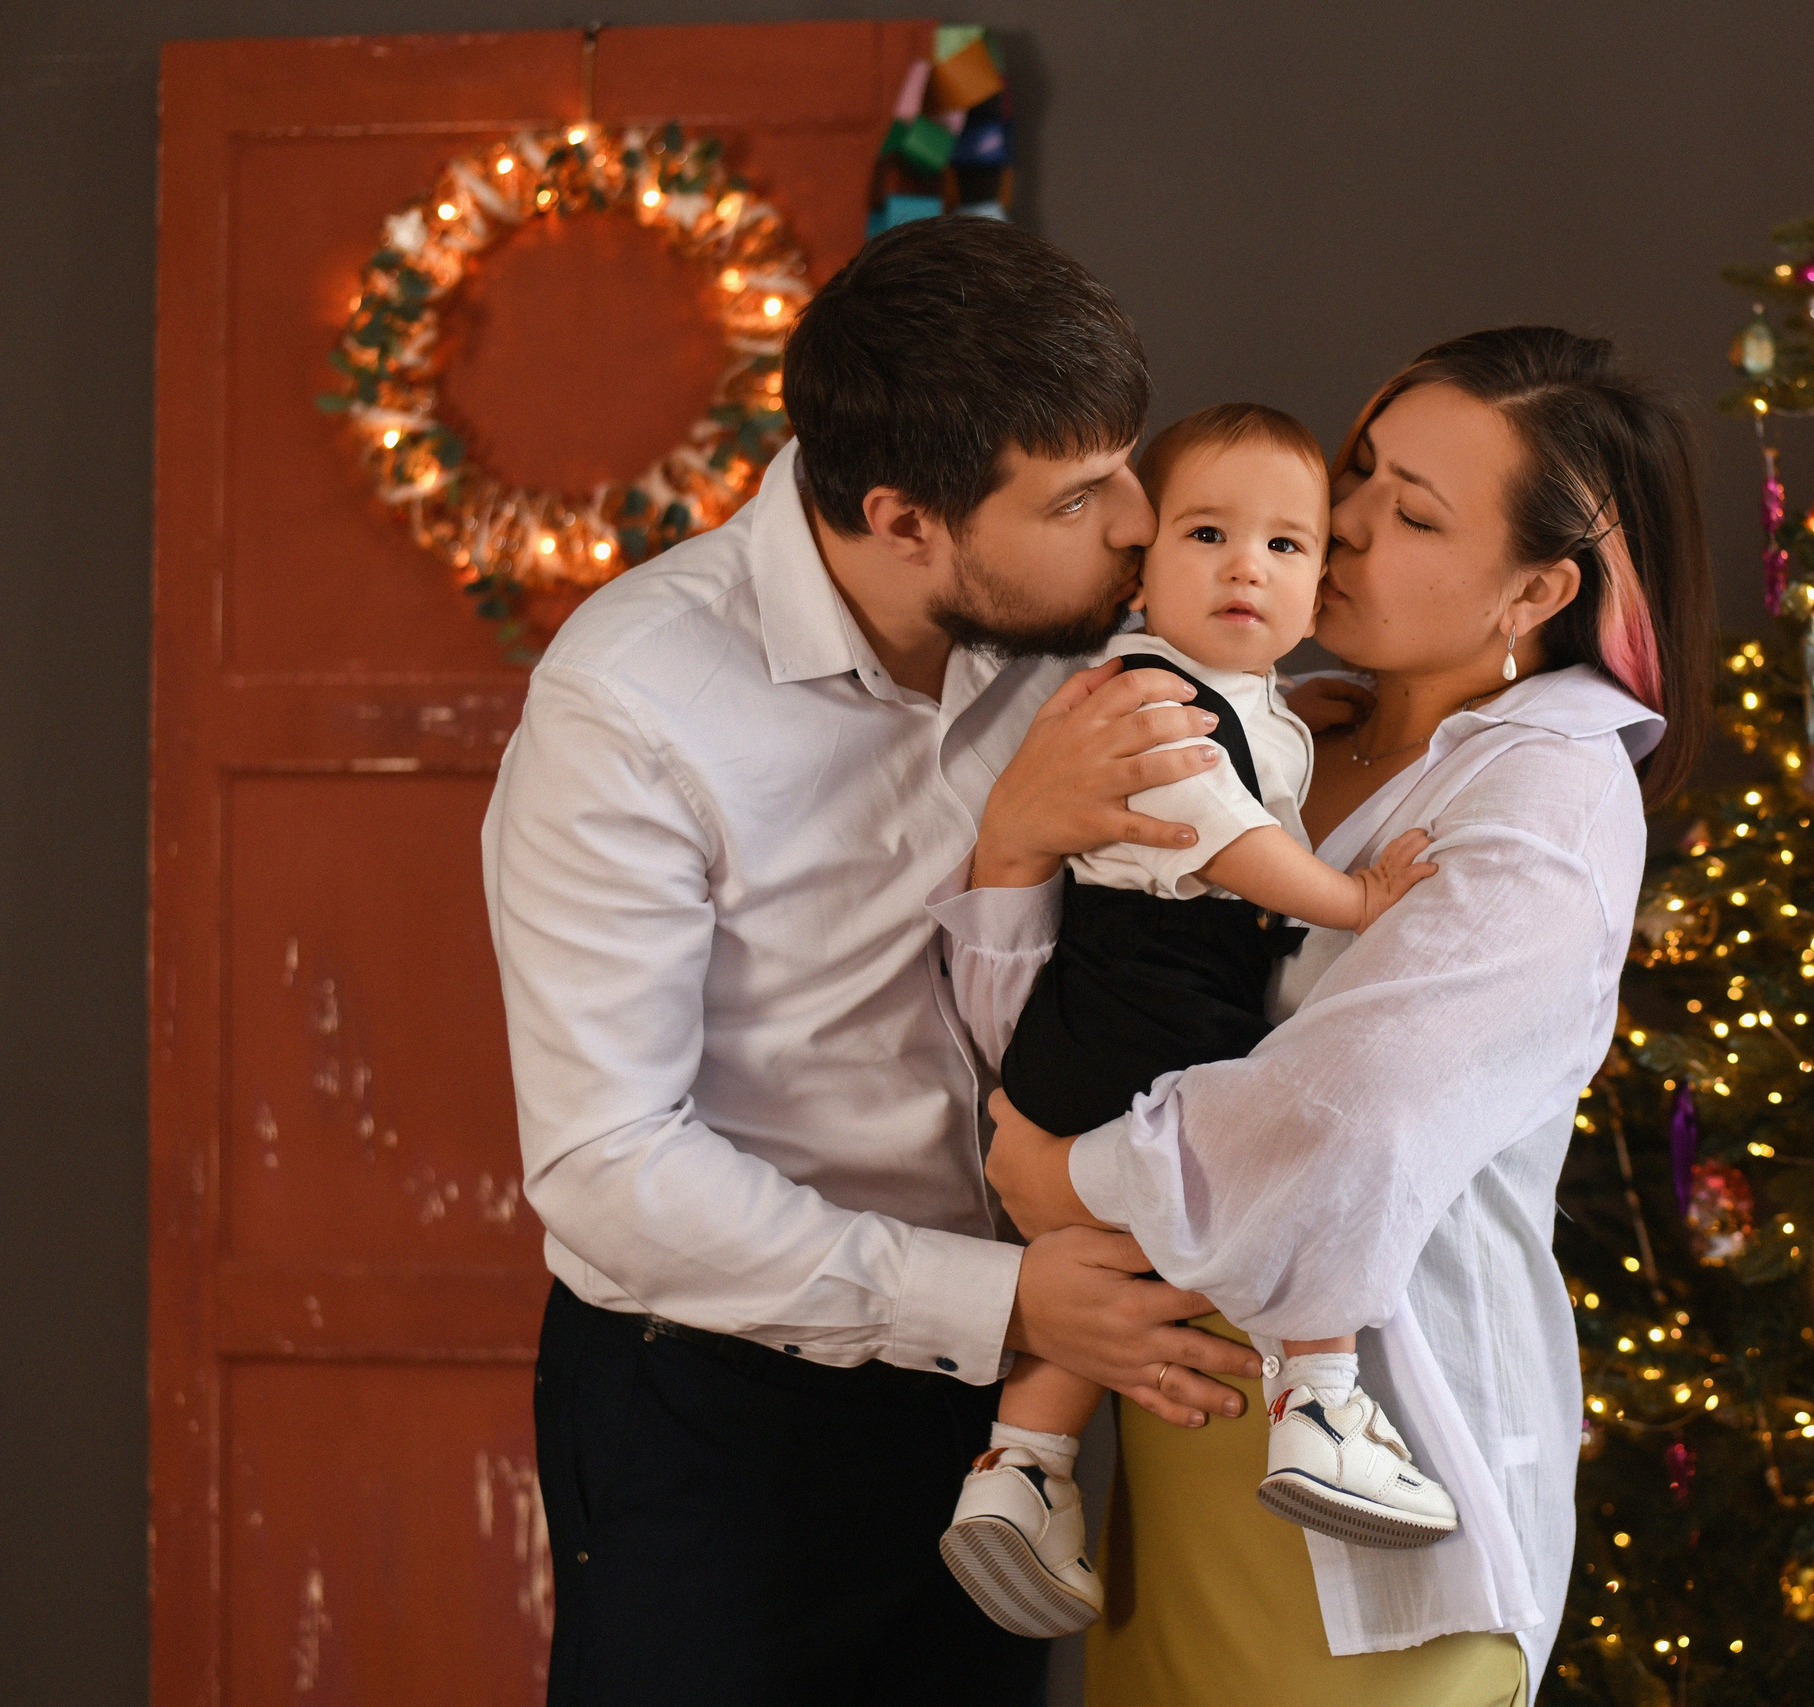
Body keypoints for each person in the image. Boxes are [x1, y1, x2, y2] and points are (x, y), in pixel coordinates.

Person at [480, 215, 1268, 1706]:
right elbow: (606, 1163)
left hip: (1000, 1403)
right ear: (905, 521)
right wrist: (1005, 1301)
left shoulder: (1086, 626)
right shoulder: (632, 703)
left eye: (1127, 464)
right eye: (1077, 495)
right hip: (712, 1405)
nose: (1137, 521)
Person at [933, 326, 1714, 1706]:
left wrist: (1065, 1180)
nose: (1338, 521)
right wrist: (1013, 844)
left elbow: (1348, 1118)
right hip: (1173, 1454)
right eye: (1357, 470)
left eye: (1412, 513)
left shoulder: (1546, 804)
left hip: (1380, 1519)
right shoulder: (1266, 726)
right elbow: (1073, 1021)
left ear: (1536, 588)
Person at [939, 403, 1456, 1643]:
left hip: (1107, 1026)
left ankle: (1022, 1470)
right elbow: (1226, 842)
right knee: (1291, 1148)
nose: (1245, 569)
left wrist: (1298, 712)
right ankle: (1319, 1398)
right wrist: (1353, 897)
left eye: (1285, 546)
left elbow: (1250, 756)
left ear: (1318, 584)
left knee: (1117, 1260)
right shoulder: (1146, 701)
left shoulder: (1231, 698)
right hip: (1147, 1013)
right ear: (1142, 564)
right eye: (1208, 534)